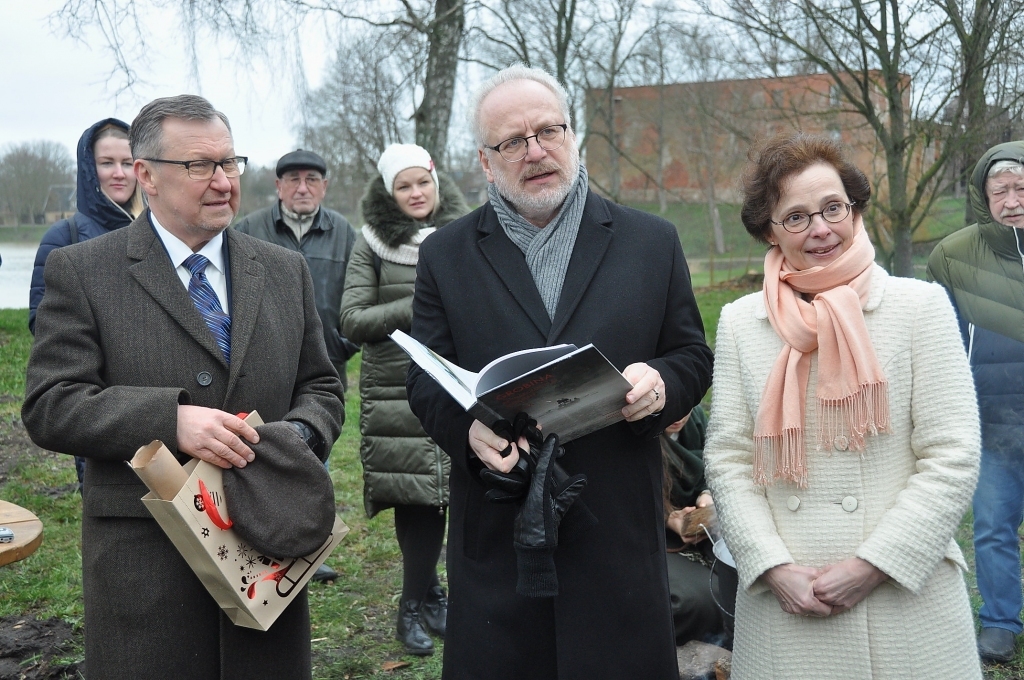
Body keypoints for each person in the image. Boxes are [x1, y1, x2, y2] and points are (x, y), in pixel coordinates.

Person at [405, 64, 714, 679]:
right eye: (512, 142)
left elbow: (690, 354)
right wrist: (467, 433)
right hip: (499, 529)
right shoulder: (446, 253)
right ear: (486, 163)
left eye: (549, 130)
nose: (536, 150)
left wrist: (661, 384)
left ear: (574, 136)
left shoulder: (650, 241)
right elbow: (424, 379)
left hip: (616, 524)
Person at [21, 94, 344, 680]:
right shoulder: (83, 270)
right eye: (200, 166)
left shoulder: (281, 269)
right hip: (146, 576)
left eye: (230, 163)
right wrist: (170, 423)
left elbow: (322, 386)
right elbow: (50, 405)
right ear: (146, 176)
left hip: (267, 555)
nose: (223, 182)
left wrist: (290, 438)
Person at [703, 132, 982, 679]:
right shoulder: (740, 322)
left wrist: (873, 565)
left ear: (855, 210)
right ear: (769, 230)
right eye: (798, 217)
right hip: (789, 607)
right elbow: (730, 460)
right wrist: (772, 567)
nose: (822, 229)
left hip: (904, 597)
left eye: (833, 208)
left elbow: (952, 454)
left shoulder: (919, 307)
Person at [340, 143, 469, 656]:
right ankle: (410, 605)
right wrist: (420, 303)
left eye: (423, 182)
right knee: (417, 500)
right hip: (398, 392)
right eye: (404, 186)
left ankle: (436, 596)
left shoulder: (466, 234)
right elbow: (352, 320)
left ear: (437, 183)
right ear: (389, 193)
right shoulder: (370, 244)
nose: (416, 194)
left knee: (455, 492)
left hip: (459, 383)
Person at [928, 140, 1024, 664]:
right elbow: (936, 341)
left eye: (1021, 187)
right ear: (984, 198)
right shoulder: (953, 254)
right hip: (991, 419)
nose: (1012, 199)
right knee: (992, 525)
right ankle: (1001, 623)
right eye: (1000, 190)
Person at [28, 118, 145, 491]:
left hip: (158, 395)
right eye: (106, 162)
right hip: (99, 399)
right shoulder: (63, 237)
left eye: (127, 163)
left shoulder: (160, 231)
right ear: (87, 168)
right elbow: (41, 320)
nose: (119, 173)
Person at [234, 148, 359, 391]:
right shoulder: (249, 228)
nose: (303, 188)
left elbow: (358, 292)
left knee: (325, 424)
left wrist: (343, 344)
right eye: (294, 179)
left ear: (324, 187)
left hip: (328, 362)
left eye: (311, 179)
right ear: (279, 186)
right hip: (265, 366)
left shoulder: (343, 232)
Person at [661, 406, 736, 649]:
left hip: (701, 527)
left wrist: (706, 494)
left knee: (739, 582)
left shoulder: (695, 420)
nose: (679, 415)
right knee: (694, 600)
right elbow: (623, 494)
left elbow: (716, 464)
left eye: (685, 406)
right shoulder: (630, 433)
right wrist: (669, 517)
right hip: (649, 532)